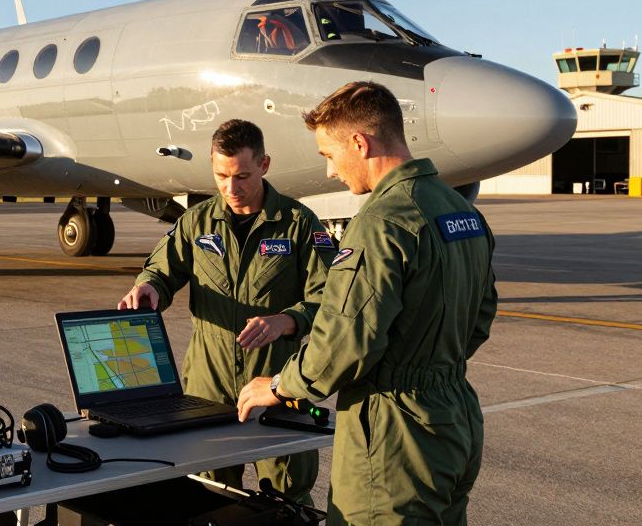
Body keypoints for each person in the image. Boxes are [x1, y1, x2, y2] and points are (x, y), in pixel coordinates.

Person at [236, 81, 498, 525]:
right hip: (456, 419)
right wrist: (429, 361)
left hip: (395, 433)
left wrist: (280, 385)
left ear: (359, 143)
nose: (330, 172)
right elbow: (481, 315)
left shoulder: (382, 222)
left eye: (329, 154)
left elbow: (344, 342)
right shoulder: (461, 210)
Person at [118, 118, 335, 504]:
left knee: (288, 499)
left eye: (242, 176)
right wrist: (149, 287)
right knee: (208, 499)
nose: (231, 189)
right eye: (221, 176)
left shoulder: (299, 224)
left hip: (277, 388)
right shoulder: (196, 223)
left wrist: (287, 320)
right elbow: (161, 271)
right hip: (208, 392)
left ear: (264, 165)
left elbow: (333, 300)